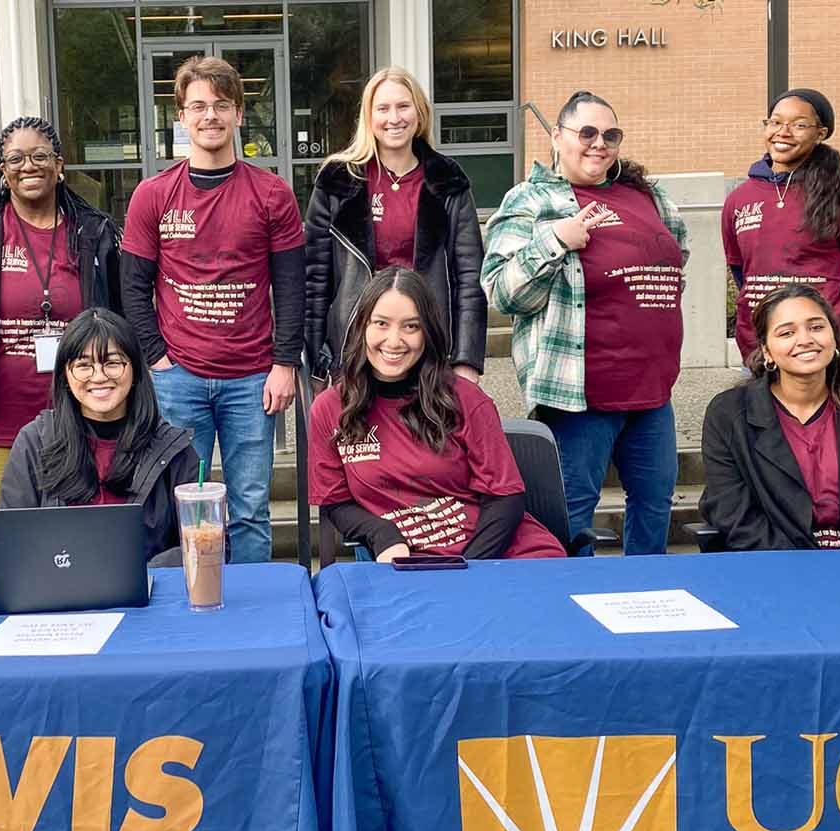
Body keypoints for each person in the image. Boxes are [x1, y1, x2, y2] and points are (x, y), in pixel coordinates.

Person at [480, 90, 688, 557]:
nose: (599, 144)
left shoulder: (648, 195)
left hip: (653, 392)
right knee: (573, 518)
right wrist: (555, 240)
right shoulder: (531, 200)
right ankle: (575, 611)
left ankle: (648, 604)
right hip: (580, 397)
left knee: (655, 509)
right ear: (557, 136)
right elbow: (501, 290)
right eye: (586, 133)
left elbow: (677, 258)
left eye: (610, 135)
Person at [121, 55, 305, 565]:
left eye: (222, 105)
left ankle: (254, 619)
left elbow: (291, 286)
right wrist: (157, 358)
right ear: (180, 116)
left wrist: (284, 363)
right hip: (178, 378)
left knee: (250, 509)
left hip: (253, 380)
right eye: (198, 106)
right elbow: (133, 287)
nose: (210, 116)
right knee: (188, 506)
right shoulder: (153, 196)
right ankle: (195, 609)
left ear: (239, 115)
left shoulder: (272, 193)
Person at [0, 117, 122, 574]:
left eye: (39, 157)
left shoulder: (92, 232)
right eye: (16, 158)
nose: (28, 166)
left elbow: (119, 321)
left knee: (74, 558)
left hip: (80, 422)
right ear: (2, 169)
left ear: (60, 166)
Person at [309, 269, 564, 562]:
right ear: (361, 328)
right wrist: (381, 534)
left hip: (502, 555)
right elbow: (336, 502)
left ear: (428, 333)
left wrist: (465, 570)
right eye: (381, 323)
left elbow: (505, 498)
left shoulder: (466, 399)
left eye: (411, 327)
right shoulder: (331, 409)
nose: (394, 341)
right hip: (413, 563)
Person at [698, 284, 840, 550]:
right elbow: (731, 512)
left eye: (816, 327)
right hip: (773, 568)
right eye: (787, 333)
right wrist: (802, 568)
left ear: (834, 337)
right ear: (767, 351)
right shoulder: (729, 414)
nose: (805, 340)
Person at [304, 66, 485, 383]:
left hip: (426, 348)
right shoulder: (337, 181)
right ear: (369, 117)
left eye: (403, 106)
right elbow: (315, 278)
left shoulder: (448, 182)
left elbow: (469, 278)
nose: (394, 118)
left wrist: (466, 360)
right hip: (355, 348)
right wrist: (317, 359)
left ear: (419, 112)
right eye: (383, 108)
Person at [0, 309, 200, 565]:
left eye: (112, 363)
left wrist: (141, 575)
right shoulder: (35, 442)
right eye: (83, 365)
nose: (99, 376)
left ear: (136, 370)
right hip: (59, 595)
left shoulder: (173, 449)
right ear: (65, 376)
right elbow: (9, 539)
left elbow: (207, 542)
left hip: (152, 596)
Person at [722, 87, 840, 363]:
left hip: (823, 348)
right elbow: (742, 272)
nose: (783, 132)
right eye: (775, 122)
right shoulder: (739, 199)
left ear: (820, 133)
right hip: (758, 346)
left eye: (799, 125)